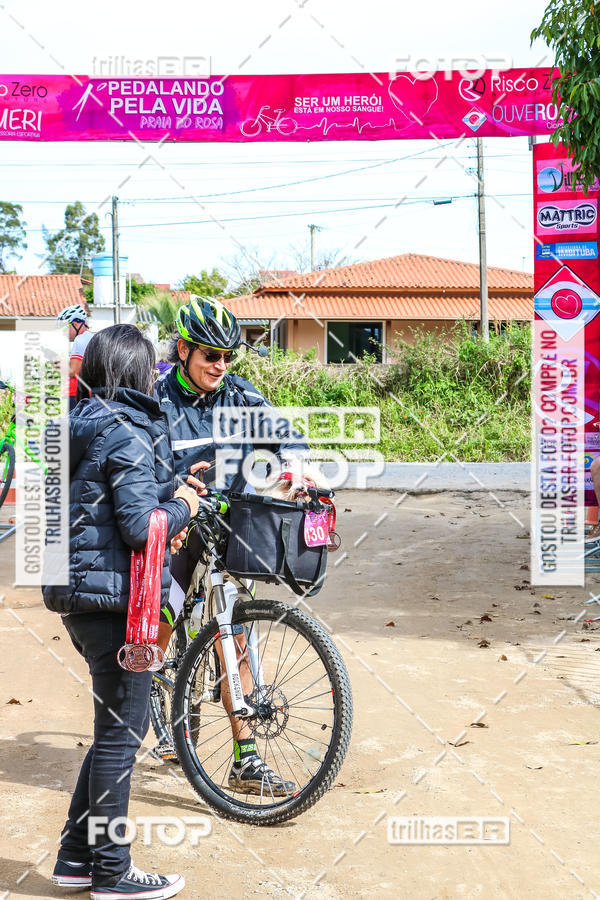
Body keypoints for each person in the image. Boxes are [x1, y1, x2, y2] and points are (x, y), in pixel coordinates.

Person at [42, 324, 205, 899]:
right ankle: (112, 872)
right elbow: (140, 528)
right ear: (135, 373)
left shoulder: (77, 427)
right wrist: (182, 506)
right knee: (122, 735)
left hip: (80, 598)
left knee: (113, 730)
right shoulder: (127, 431)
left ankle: (73, 858)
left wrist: (170, 490)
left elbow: (105, 511)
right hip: (120, 604)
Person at [154, 297, 308, 794]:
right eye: (208, 357)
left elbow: (287, 438)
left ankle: (245, 758)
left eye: (227, 357)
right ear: (183, 350)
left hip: (230, 524)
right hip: (181, 525)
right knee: (160, 621)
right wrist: (173, 488)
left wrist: (294, 469)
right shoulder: (157, 400)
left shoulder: (241, 397)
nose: (219, 366)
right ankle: (149, 704)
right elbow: (136, 467)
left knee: (234, 636)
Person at [57, 304, 94, 414]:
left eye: (64, 327)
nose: (63, 332)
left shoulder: (81, 340)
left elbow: (72, 371)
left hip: (75, 394)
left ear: (76, 323)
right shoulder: (90, 338)